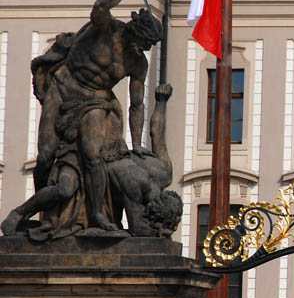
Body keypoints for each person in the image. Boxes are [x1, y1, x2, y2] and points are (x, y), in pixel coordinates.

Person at [31, 0, 162, 233]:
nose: (145, 49)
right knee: (45, 155)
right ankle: (44, 210)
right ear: (134, 30)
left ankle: (98, 216)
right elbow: (99, 8)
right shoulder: (107, 29)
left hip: (95, 101)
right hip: (64, 87)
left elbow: (137, 104)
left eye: (149, 46)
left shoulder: (138, 63)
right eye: (144, 42)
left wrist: (137, 144)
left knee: (93, 157)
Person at [2, 84, 179, 239]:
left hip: (103, 155)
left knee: (66, 188)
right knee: (64, 189)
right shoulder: (135, 185)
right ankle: (18, 213)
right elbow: (139, 230)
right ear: (151, 212)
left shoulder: (164, 172)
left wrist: (161, 102)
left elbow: (157, 132)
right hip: (84, 154)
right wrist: (160, 234)